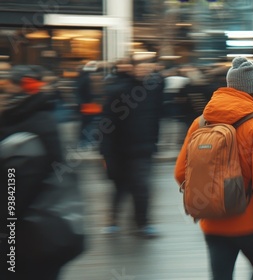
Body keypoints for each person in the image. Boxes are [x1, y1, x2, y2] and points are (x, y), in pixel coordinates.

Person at [174, 57, 253, 280]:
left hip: (212, 223)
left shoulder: (200, 123)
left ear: (229, 86)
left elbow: (180, 172)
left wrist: (208, 197)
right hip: (249, 224)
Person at [0, 65, 84, 279]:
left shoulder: (30, 125)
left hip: (27, 232)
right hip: (31, 229)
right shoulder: (30, 118)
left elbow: (14, 191)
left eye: (4, 89)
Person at [99, 59, 164, 238]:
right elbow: (107, 121)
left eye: (148, 68)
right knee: (120, 187)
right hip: (119, 149)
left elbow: (156, 116)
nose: (144, 71)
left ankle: (142, 224)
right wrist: (105, 150)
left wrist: (153, 142)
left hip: (143, 149)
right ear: (132, 69)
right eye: (141, 67)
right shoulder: (118, 89)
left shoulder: (152, 90)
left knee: (142, 187)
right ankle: (113, 220)